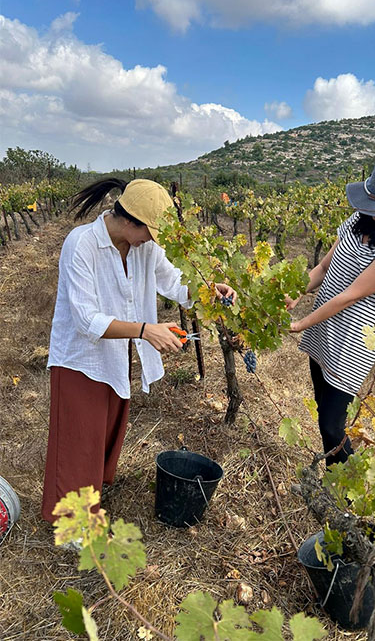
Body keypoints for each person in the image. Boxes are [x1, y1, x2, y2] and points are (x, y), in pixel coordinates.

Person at [42, 178, 235, 531]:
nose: (151, 240)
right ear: (129, 220)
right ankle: (71, 523)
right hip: (78, 358)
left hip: (114, 355)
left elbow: (176, 283)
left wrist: (209, 291)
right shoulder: (81, 244)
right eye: (149, 231)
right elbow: (86, 320)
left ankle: (90, 494)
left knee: (102, 431)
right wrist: (146, 331)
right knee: (78, 441)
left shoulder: (143, 247)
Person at [288, 155, 375, 468]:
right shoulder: (356, 221)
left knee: (333, 425)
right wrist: (296, 293)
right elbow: (324, 267)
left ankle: (351, 498)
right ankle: (337, 488)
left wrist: (301, 324)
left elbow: (351, 296)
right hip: (323, 331)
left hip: (351, 344)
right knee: (324, 413)